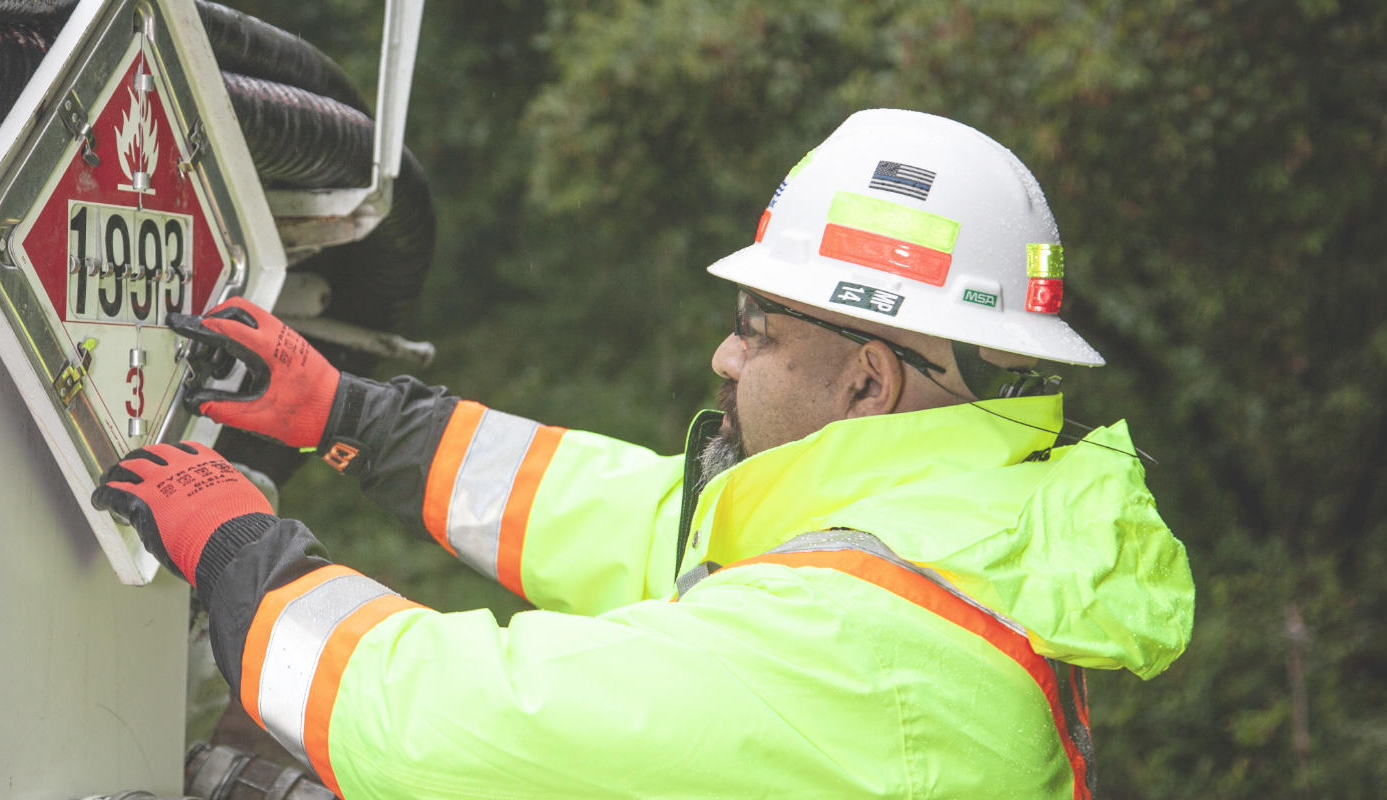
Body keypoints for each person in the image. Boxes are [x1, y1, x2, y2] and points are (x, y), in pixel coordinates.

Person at [97, 109, 1194, 799]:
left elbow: (444, 726)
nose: (724, 350)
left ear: (871, 378)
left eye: (758, 325)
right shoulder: (958, 531)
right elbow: (625, 515)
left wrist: (242, 547)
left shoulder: (855, 642)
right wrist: (352, 413)